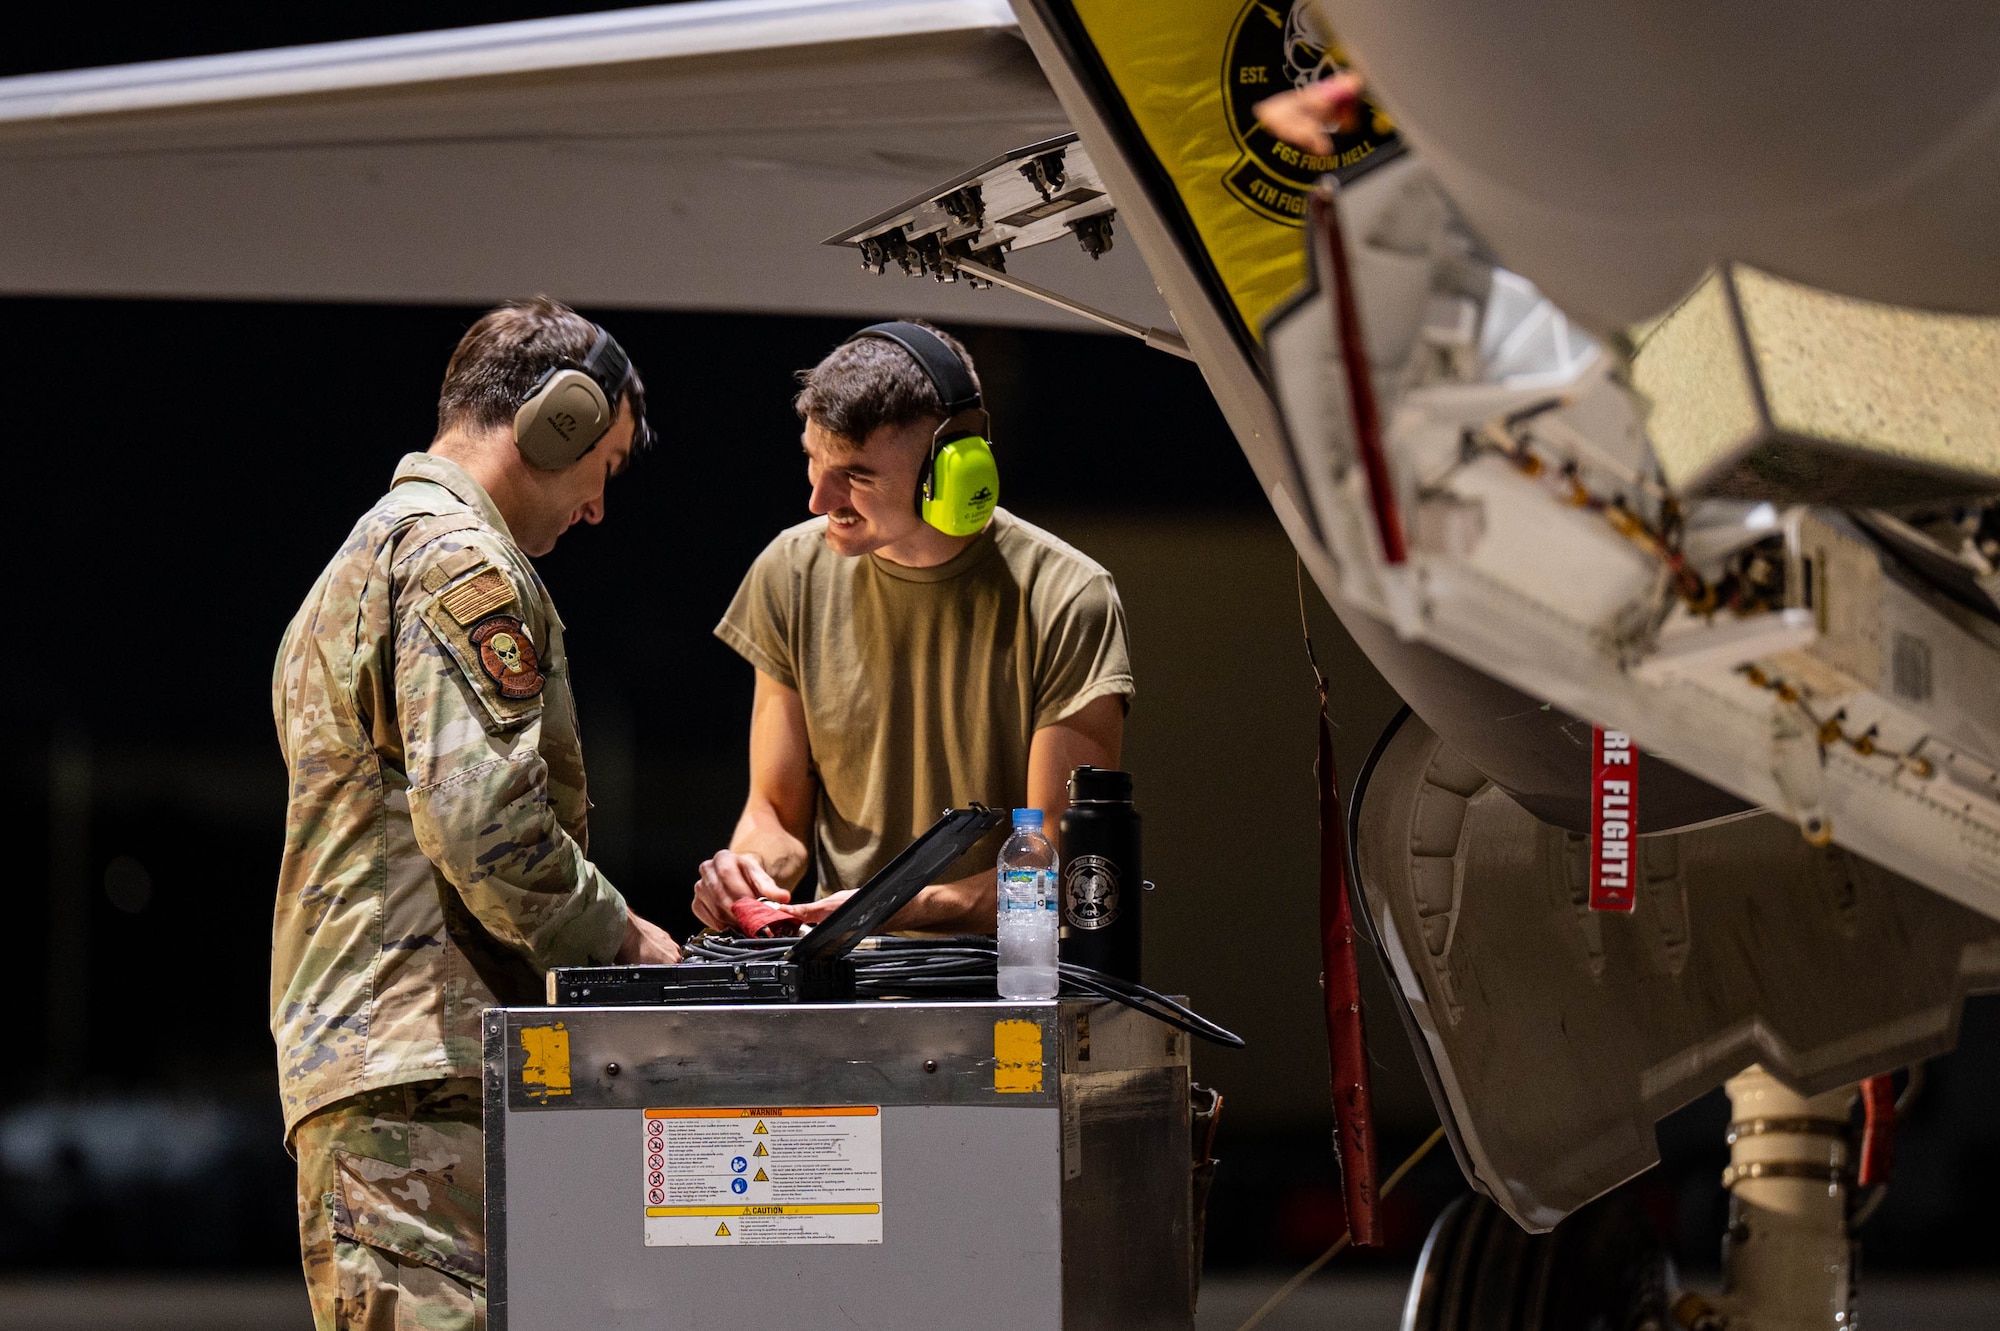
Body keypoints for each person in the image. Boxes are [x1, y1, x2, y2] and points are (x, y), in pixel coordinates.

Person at [271, 297, 681, 1331]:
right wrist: (621, 940)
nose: (597, 506)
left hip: (389, 1069)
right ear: (557, 422)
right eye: (606, 463)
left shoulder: (366, 556)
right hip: (424, 1078)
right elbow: (483, 821)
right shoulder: (461, 559)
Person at [693, 320, 1134, 934]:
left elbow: (1055, 866)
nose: (819, 499)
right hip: (839, 983)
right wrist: (749, 874)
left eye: (857, 475)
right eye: (813, 462)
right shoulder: (789, 572)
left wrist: (883, 908)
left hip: (1005, 987)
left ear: (954, 469)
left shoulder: (1067, 598)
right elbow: (775, 812)